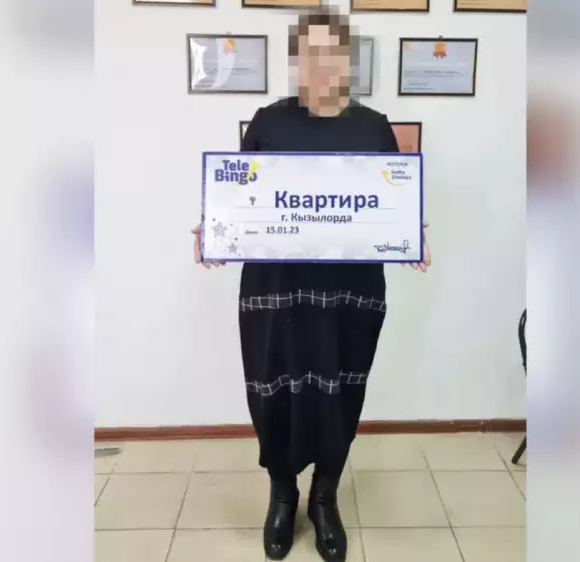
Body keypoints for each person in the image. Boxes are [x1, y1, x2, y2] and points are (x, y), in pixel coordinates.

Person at [191, 10, 430, 562]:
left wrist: (410, 236)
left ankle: (325, 496)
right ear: (297, 61)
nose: (322, 65)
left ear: (348, 60)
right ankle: (283, 493)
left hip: (350, 290)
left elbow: (390, 204)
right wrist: (215, 232)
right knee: (273, 390)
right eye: (311, 54)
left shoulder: (374, 127)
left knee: (340, 389)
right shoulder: (268, 123)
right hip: (275, 288)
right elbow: (240, 203)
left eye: (333, 53)